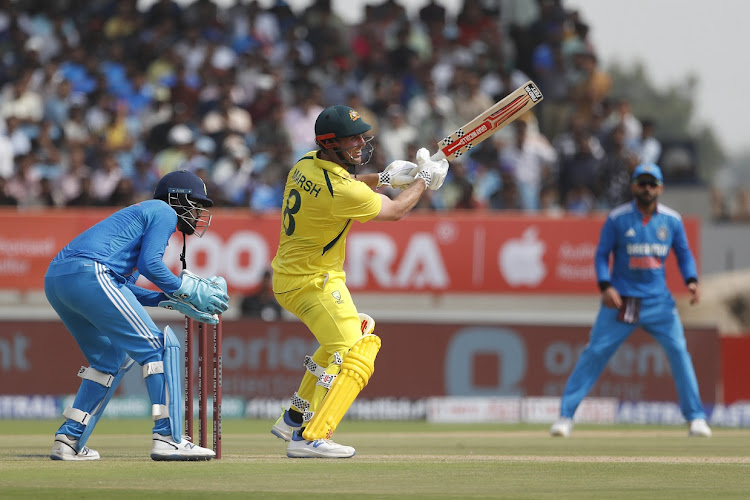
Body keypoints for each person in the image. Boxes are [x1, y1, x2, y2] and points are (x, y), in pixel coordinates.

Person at [269, 104, 448, 458]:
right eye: (353, 139)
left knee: (356, 329)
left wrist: (386, 178)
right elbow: (396, 211)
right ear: (331, 143)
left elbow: (348, 183)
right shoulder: (341, 191)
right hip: (313, 282)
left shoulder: (305, 163)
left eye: (363, 136)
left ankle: (296, 415)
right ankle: (311, 437)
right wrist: (423, 181)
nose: (362, 143)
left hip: (296, 277)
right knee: (358, 349)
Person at [46, 170, 230, 461]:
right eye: (195, 204)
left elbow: (123, 287)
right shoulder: (163, 211)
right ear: (177, 199)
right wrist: (186, 290)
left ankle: (68, 439)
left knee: (109, 359)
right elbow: (149, 265)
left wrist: (167, 299)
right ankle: (167, 437)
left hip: (59, 279)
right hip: (91, 273)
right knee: (158, 348)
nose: (198, 213)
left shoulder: (138, 219)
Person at [550, 163, 712, 438]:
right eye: (642, 183)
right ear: (633, 186)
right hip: (622, 300)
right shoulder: (617, 218)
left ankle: (696, 418)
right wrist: (605, 286)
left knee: (679, 354)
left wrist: (692, 281)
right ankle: (565, 417)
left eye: (652, 184)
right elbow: (602, 255)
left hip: (658, 302)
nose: (647, 188)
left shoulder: (671, 220)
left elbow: (683, 254)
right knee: (594, 353)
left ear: (660, 188)